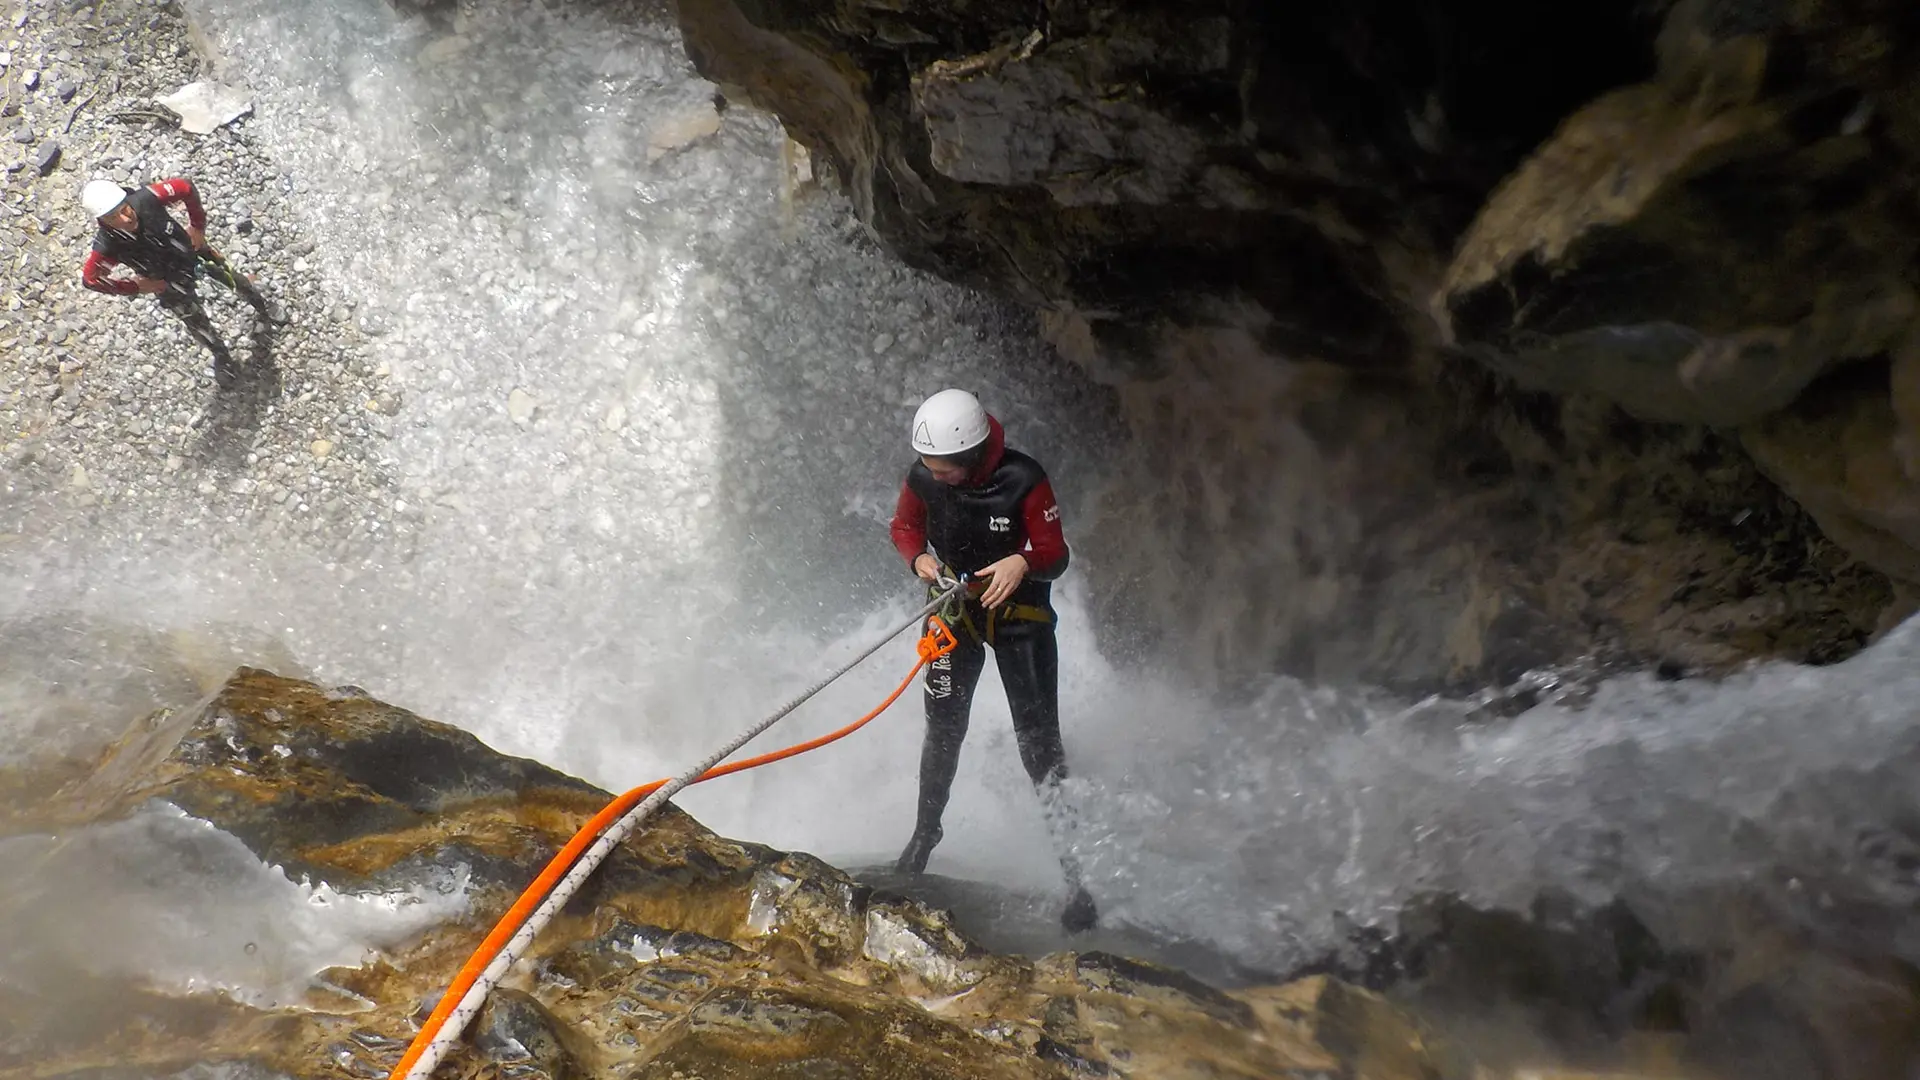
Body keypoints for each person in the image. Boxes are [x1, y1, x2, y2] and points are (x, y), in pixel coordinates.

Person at [889, 388, 1099, 932]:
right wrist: (919, 560)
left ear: (973, 455)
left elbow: (1055, 554)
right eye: (929, 467)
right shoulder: (923, 477)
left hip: (1018, 622)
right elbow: (906, 527)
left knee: (1039, 744)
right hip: (953, 613)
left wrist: (1021, 563)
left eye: (945, 470)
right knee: (942, 730)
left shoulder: (1023, 479)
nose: (935, 477)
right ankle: (923, 836)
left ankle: (1077, 877)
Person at [78, 177, 272, 384]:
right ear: (103, 222)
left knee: (232, 278)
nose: (125, 219)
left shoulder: (148, 199)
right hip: (165, 281)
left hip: (194, 253)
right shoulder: (108, 246)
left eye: (125, 209)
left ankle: (260, 305)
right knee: (193, 319)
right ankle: (220, 354)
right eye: (113, 217)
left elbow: (185, 187)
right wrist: (136, 287)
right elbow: (91, 280)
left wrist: (197, 227)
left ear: (127, 201)